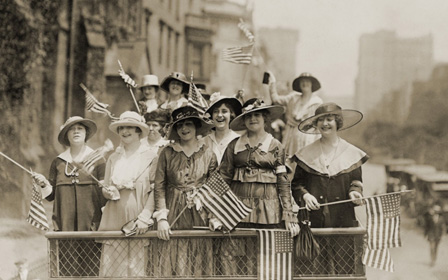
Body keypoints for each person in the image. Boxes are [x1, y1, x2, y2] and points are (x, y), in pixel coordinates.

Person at [219, 98, 300, 274]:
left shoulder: (276, 146)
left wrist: (289, 214)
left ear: (265, 118)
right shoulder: (234, 145)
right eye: (248, 116)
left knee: (266, 257)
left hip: (269, 211)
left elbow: (283, 181)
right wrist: (216, 212)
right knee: (235, 255)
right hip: (237, 209)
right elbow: (223, 177)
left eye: (257, 115)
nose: (252, 119)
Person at [31, 116, 106, 277]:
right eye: (72, 129)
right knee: (66, 271)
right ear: (66, 135)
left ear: (86, 133)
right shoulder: (58, 162)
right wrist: (44, 183)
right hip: (65, 227)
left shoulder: (98, 160)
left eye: (80, 128)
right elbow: (51, 196)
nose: (76, 131)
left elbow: (105, 195)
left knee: (92, 270)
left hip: (91, 227)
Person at [152, 105, 217, 277]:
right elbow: (159, 185)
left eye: (188, 124)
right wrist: (162, 218)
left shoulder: (208, 153)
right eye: (179, 125)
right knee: (173, 255)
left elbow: (214, 187)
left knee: (199, 254)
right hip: (173, 210)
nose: (184, 129)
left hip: (200, 211)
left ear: (196, 127)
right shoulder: (167, 153)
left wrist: (213, 215)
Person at [97, 111, 156, 277]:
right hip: (113, 215)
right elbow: (105, 187)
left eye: (130, 127)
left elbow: (156, 190)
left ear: (138, 130)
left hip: (138, 218)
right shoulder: (113, 158)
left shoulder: (151, 157)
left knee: (136, 269)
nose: (125, 131)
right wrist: (108, 192)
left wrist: (145, 216)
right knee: (113, 267)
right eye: (121, 127)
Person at [267, 71, 323, 158]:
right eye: (302, 82)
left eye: (307, 82)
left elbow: (319, 124)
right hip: (292, 136)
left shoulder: (317, 102)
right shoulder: (293, 98)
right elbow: (276, 99)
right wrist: (272, 83)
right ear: (299, 85)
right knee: (290, 162)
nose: (305, 84)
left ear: (312, 84)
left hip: (309, 138)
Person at [203, 92, 242, 164]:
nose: (220, 115)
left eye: (224, 111)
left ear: (231, 115)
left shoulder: (238, 140)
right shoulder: (204, 141)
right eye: (216, 111)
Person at [423, 202, 446, 266]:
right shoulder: (430, 218)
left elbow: (443, 228)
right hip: (431, 235)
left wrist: (443, 236)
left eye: (437, 211)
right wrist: (425, 234)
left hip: (438, 236)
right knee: (432, 248)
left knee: (436, 248)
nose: (435, 212)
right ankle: (432, 260)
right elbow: (427, 227)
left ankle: (434, 259)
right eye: (435, 210)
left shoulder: (441, 219)